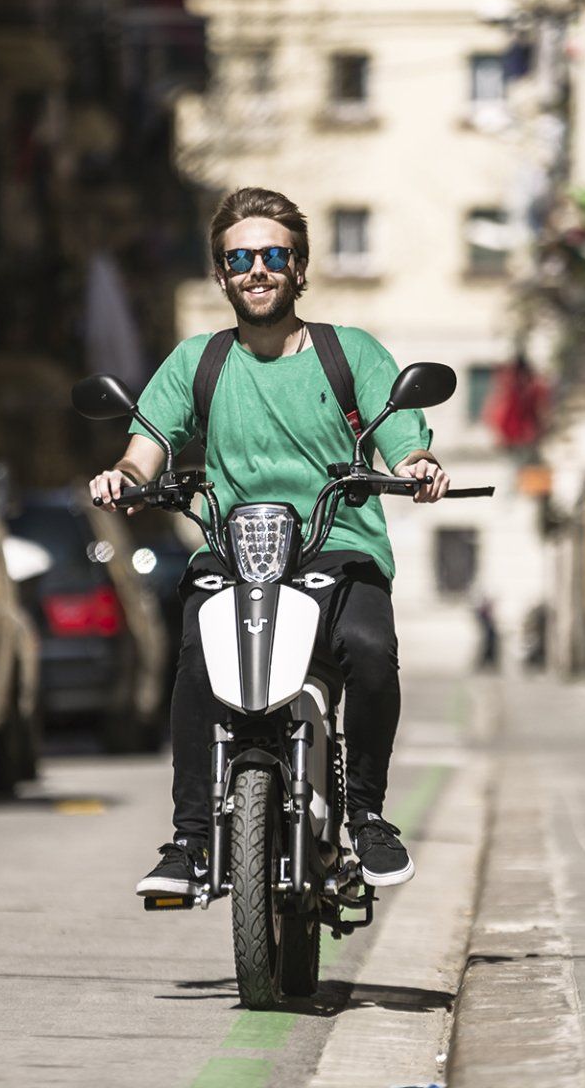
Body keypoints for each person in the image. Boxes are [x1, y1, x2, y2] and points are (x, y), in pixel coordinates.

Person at [88, 186, 450, 898]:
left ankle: (367, 816)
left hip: (338, 547)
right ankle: (192, 840)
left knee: (370, 650)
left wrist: (416, 465)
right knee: (196, 658)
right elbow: (145, 449)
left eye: (274, 256)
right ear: (220, 274)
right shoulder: (198, 361)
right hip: (232, 551)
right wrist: (123, 477)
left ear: (299, 267)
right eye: (240, 258)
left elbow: (402, 436)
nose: (257, 269)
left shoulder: (350, 353)